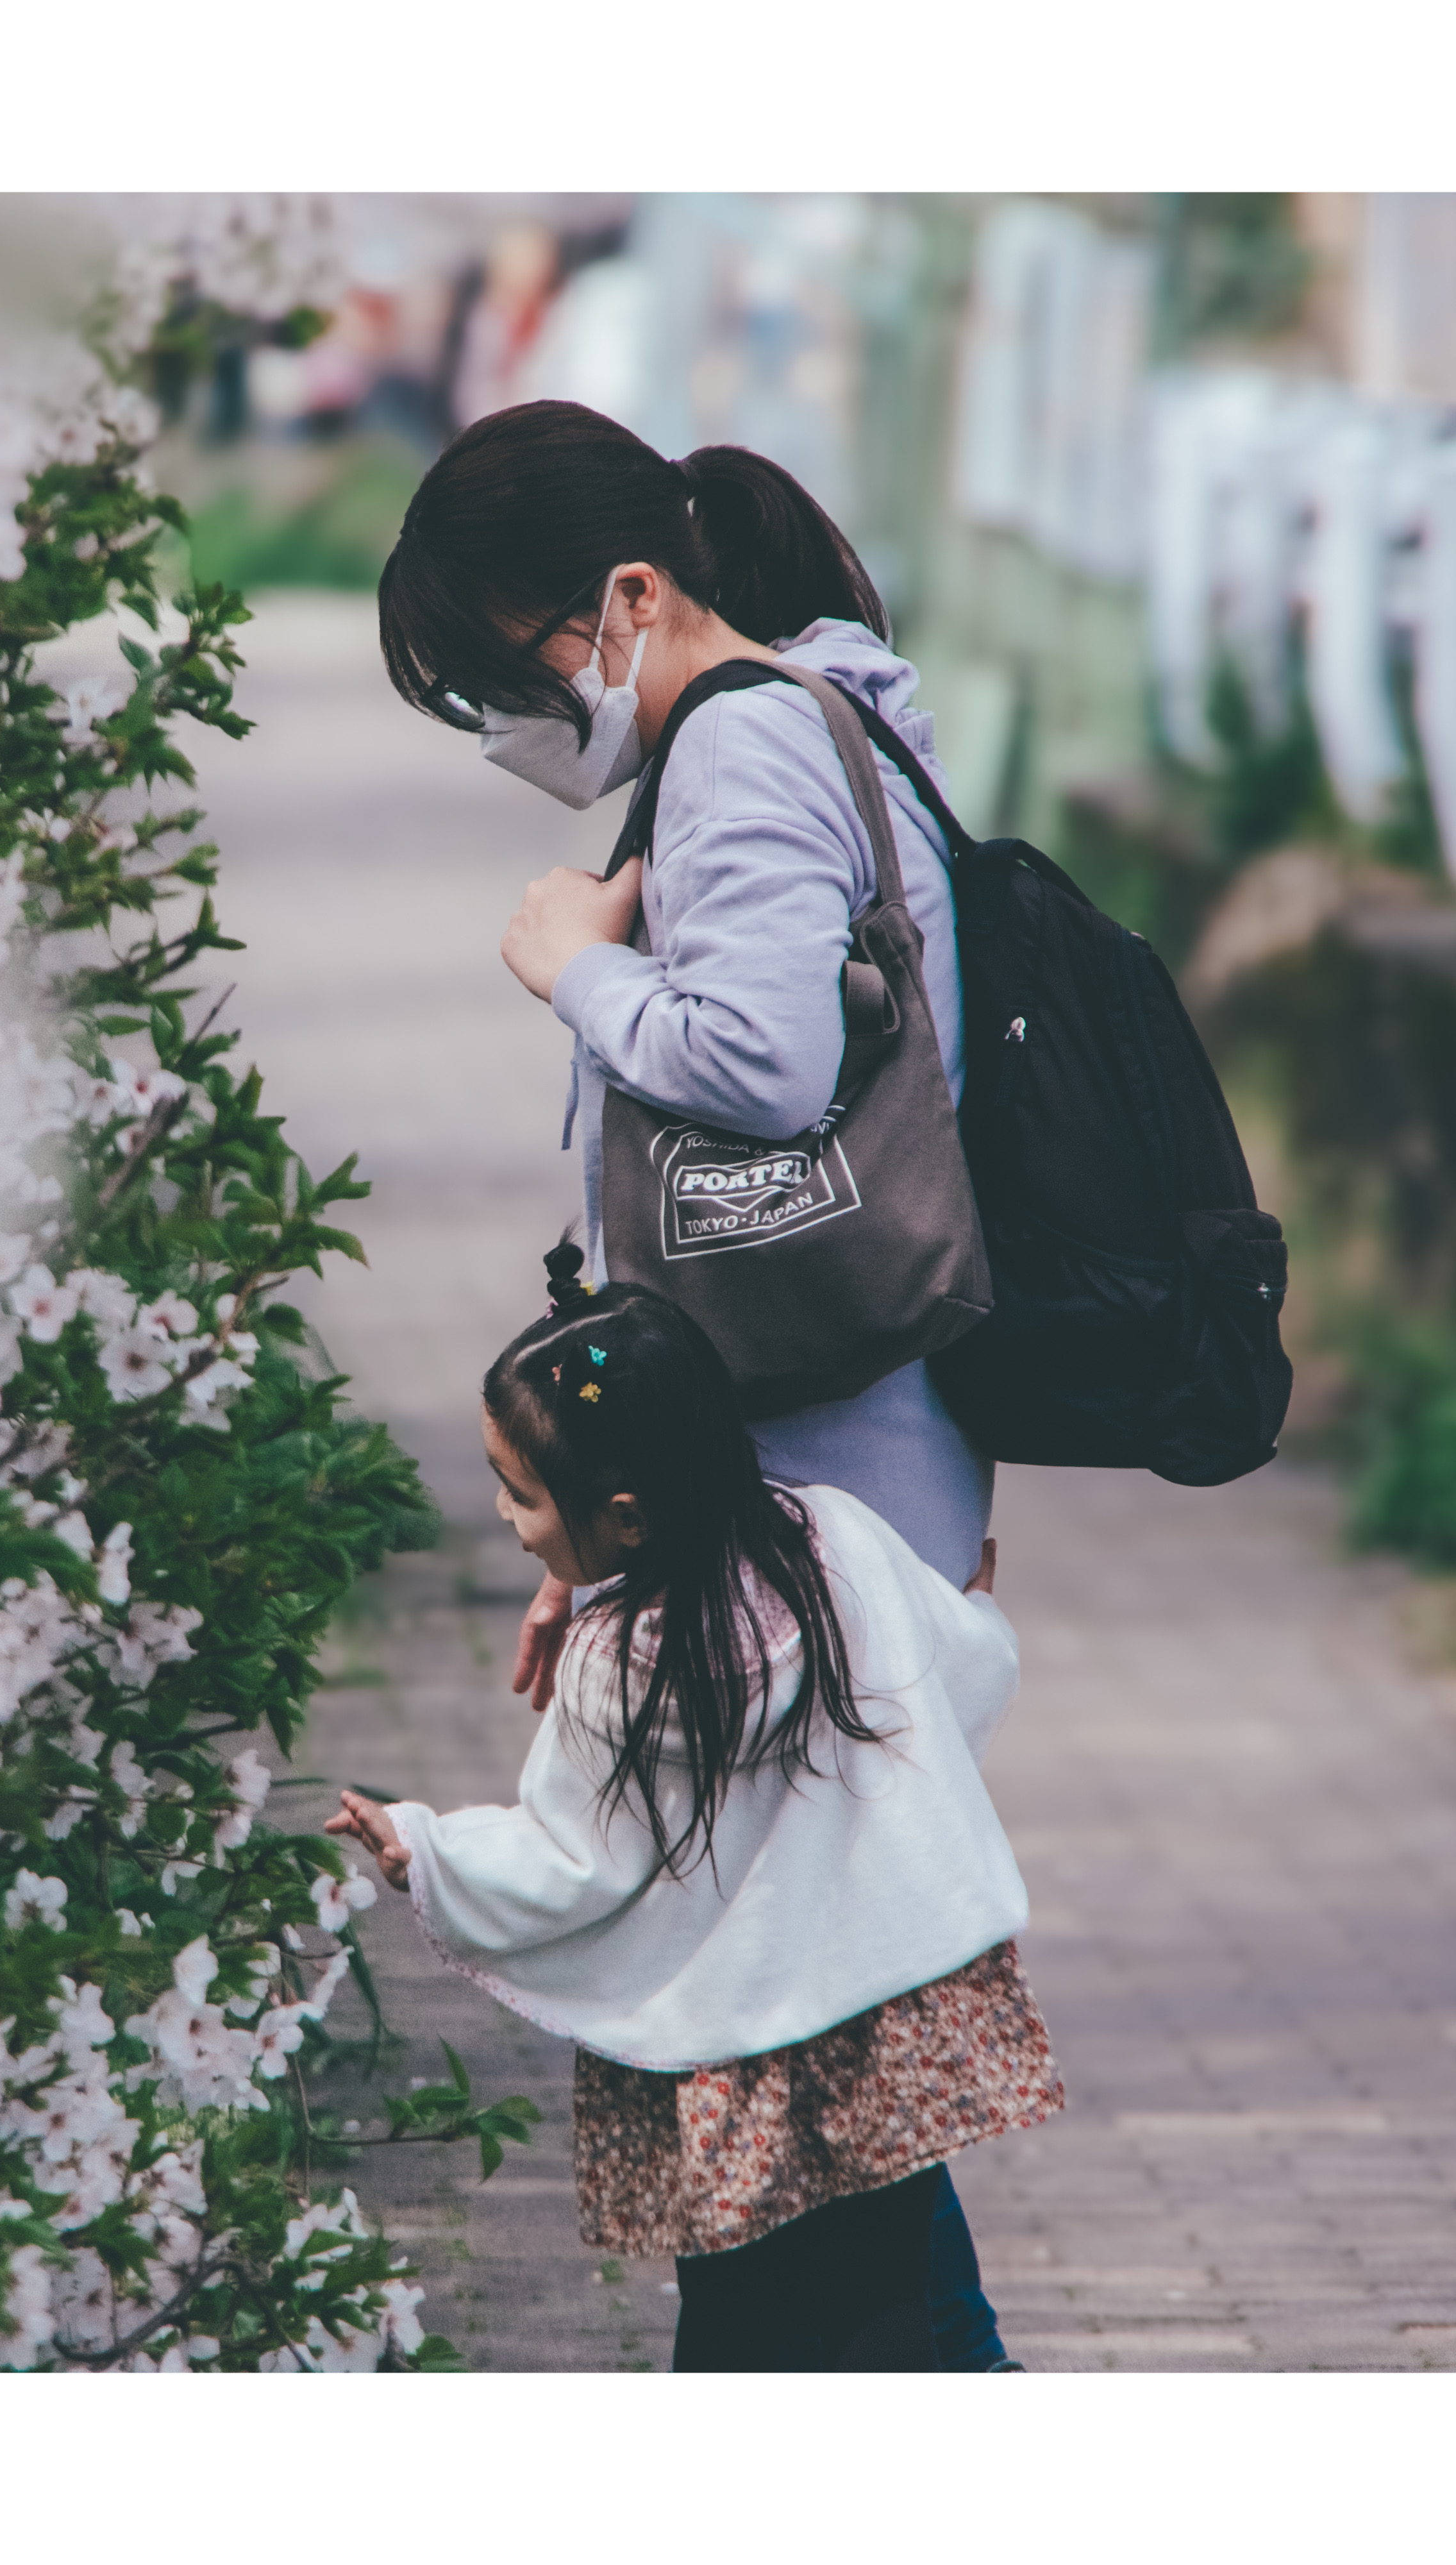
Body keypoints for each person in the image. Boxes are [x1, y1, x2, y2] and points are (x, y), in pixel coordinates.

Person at [376, 398, 1019, 2359]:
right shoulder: (798, 716)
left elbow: (759, 1066)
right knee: (804, 2048)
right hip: (816, 1455)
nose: (519, 722)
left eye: (519, 671)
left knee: (786, 2031)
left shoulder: (741, 747)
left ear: (634, 594)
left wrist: (569, 964)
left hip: (810, 1445)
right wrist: (610, 1541)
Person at [324, 1262, 1059, 2370]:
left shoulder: (616, 1670)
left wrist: (426, 1851)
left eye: (520, 1495)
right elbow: (947, 1676)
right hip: (884, 2023)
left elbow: (575, 1860)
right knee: (890, 2292)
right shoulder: (834, 1543)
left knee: (735, 2312)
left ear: (623, 1517)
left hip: (730, 2054)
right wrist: (982, 1620)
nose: (508, 1521)